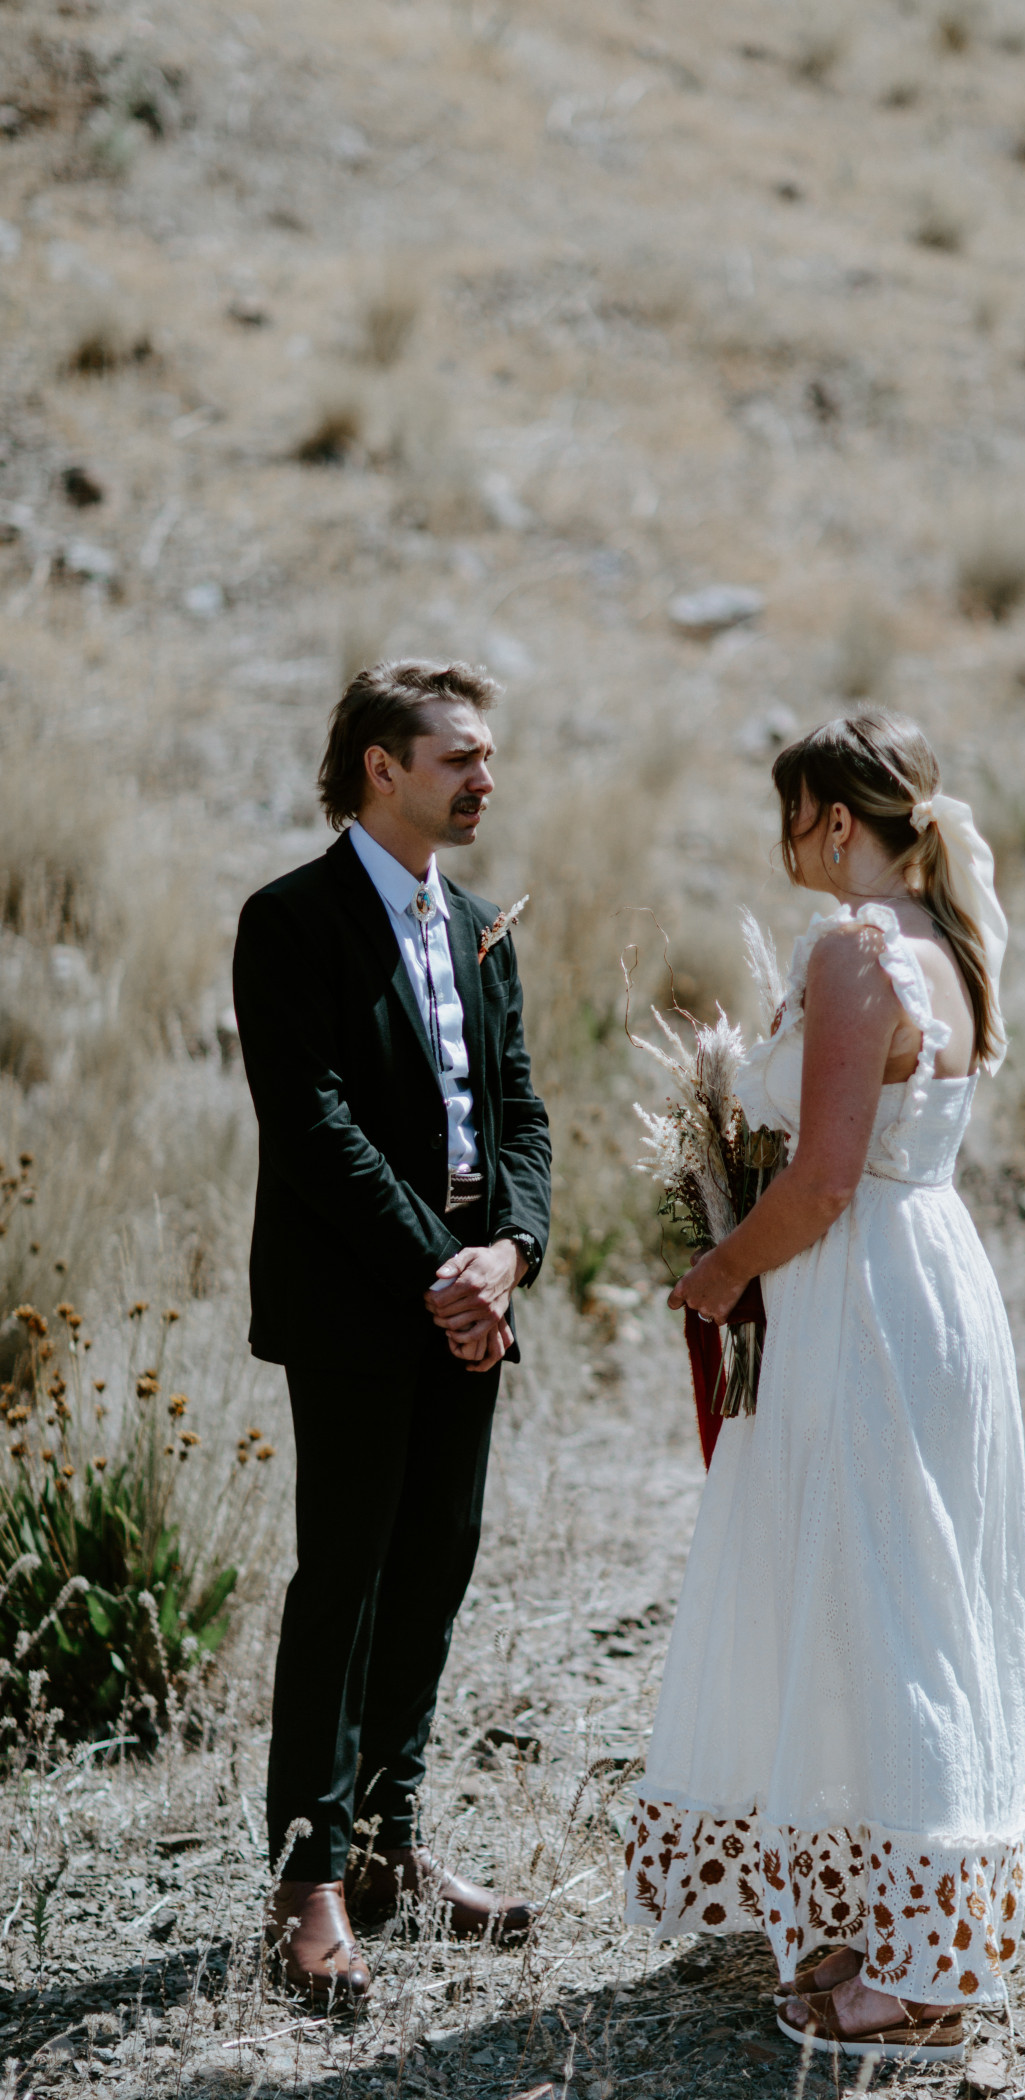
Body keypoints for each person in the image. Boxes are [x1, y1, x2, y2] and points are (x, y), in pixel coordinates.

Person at [624, 711, 1025, 2066]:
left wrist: (721, 1271)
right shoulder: (944, 943)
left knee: (886, 1598)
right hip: (925, 1280)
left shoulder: (858, 953)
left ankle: (922, 1977)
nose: (784, 838)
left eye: (792, 811)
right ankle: (897, 1914)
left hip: (860, 1291)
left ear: (837, 821)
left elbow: (826, 1180)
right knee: (897, 1589)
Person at [232, 660, 551, 2002]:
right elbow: (312, 1127)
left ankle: (392, 1853)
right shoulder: (291, 922)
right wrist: (446, 1271)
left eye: (484, 759)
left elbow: (523, 1119)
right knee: (343, 1582)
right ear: (381, 766)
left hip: (467, 1304)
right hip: (364, 1309)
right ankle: (310, 1879)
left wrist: (513, 1254)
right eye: (457, 758)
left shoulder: (480, 923)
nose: (484, 780)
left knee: (431, 1575)